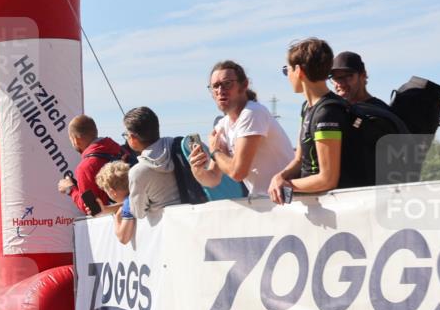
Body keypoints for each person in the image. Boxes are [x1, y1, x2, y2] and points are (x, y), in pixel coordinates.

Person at [189, 60, 294, 196]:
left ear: (244, 85)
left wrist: (215, 152)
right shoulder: (222, 125)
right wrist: (196, 168)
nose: (220, 91)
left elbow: (238, 172)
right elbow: (213, 179)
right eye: (215, 86)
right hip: (267, 201)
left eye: (227, 84)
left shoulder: (253, 112)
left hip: (289, 201)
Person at [269, 38, 352, 204]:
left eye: (287, 70)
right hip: (315, 205)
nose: (287, 76)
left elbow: (327, 179)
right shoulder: (307, 107)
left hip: (334, 206)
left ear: (299, 71)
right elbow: (300, 159)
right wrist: (279, 177)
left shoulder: (326, 113)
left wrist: (288, 185)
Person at [56, 115, 123, 215]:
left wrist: (71, 189)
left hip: (115, 223)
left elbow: (91, 208)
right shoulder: (120, 150)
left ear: (76, 140)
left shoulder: (86, 167)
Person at [122, 107, 181, 220]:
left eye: (126, 134)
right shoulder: (179, 146)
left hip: (167, 228)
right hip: (199, 219)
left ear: (133, 138)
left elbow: (138, 213)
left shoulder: (138, 172)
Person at [94, 160, 137, 244]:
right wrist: (106, 209)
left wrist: (117, 217)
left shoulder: (129, 203)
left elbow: (123, 238)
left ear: (112, 192)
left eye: (106, 191)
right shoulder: (137, 193)